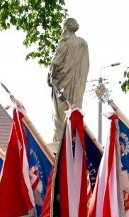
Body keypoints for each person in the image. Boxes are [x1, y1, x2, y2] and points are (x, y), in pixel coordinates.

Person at [48, 17, 89, 145]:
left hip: (61, 84)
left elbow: (56, 62)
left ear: (65, 27)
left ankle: (60, 142)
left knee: (60, 115)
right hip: (77, 84)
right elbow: (86, 64)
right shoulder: (83, 44)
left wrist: (50, 76)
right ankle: (73, 138)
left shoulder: (65, 42)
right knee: (74, 110)